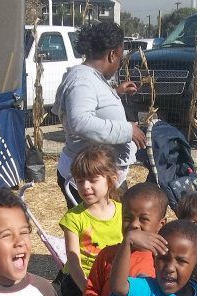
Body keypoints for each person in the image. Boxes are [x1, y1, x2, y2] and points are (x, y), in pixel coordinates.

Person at [53, 20, 145, 208]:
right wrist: (127, 130)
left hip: (99, 174)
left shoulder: (90, 78)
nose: (119, 64)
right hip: (89, 178)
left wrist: (115, 92)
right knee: (95, 236)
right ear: (112, 54)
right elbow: (80, 122)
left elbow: (92, 104)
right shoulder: (82, 80)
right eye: (120, 58)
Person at [54, 144, 123, 296]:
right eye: (80, 180)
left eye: (93, 180)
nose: (85, 187)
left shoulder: (124, 212)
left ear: (111, 179)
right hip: (78, 283)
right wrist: (87, 290)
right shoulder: (74, 218)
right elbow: (73, 260)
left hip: (110, 281)